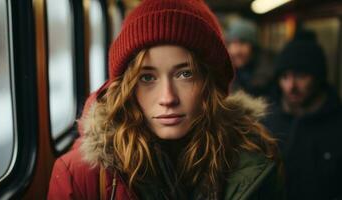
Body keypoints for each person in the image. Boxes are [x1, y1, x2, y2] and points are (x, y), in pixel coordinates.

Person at [48, 0, 284, 199]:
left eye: (185, 74)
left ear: (209, 84)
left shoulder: (256, 157)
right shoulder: (79, 175)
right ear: (127, 88)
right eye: (147, 77)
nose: (167, 98)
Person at [264, 29, 342, 200]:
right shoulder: (268, 121)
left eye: (300, 76)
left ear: (318, 77)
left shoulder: (337, 125)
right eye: (284, 77)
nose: (291, 86)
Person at [226, 18, 274, 96]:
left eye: (243, 43)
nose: (237, 51)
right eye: (234, 44)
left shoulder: (268, 75)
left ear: (254, 48)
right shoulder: (225, 75)